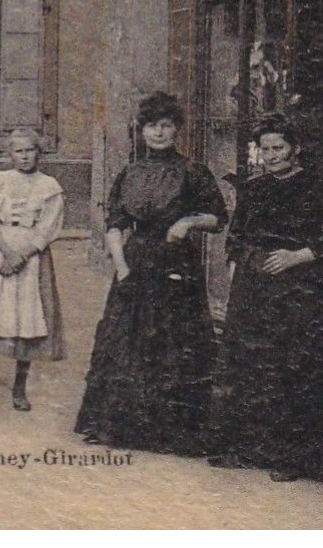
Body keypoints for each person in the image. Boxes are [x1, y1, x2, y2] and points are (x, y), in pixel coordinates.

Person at [74, 91, 228, 456]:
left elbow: (218, 218)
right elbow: (115, 223)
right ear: (141, 132)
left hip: (177, 262)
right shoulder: (130, 172)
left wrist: (188, 221)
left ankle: (173, 433)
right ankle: (116, 425)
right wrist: (121, 266)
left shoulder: (192, 171)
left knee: (175, 339)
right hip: (137, 260)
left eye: (165, 126)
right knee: (125, 337)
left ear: (176, 130)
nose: (158, 133)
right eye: (151, 127)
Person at [212, 114, 323, 487]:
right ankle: (247, 449)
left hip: (298, 291)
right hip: (254, 289)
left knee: (291, 368)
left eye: (279, 148)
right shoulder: (255, 188)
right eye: (265, 149)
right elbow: (237, 236)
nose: (272, 155)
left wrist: (298, 256)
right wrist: (238, 271)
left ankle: (291, 456)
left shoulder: (318, 189)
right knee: (249, 366)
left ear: (295, 149)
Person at [0, 128, 66, 413]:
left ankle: (19, 388)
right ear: (9, 154)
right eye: (18, 151)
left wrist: (22, 256)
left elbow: (48, 228)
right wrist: (7, 253)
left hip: (31, 259)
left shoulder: (49, 187)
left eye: (30, 150)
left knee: (27, 319)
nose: (24, 156)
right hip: (0, 255)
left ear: (39, 152)